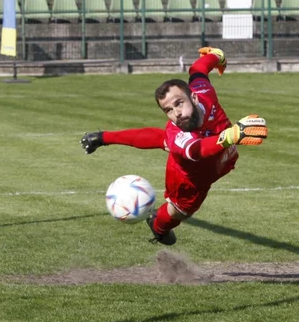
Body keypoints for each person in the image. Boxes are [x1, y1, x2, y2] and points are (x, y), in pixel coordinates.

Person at [80, 47, 267, 246]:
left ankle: (103, 138)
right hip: (189, 179)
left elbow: (198, 68)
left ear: (193, 97)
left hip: (220, 160)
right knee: (180, 212)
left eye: (179, 103)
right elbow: (198, 150)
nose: (176, 113)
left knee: (161, 139)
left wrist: (218, 56)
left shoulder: (204, 91)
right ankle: (158, 226)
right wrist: (231, 135)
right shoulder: (177, 135)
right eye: (168, 110)